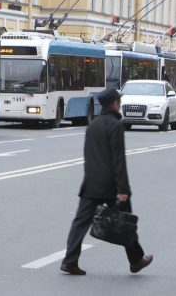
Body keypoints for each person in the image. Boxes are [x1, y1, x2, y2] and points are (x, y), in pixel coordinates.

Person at [61, 88, 153, 276]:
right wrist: (123, 188)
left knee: (80, 222)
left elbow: (88, 155)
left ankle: (69, 261)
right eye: (119, 101)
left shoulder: (93, 124)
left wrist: (89, 180)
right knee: (125, 222)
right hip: (111, 185)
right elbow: (118, 160)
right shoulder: (115, 125)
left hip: (91, 183)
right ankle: (136, 261)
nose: (120, 104)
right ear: (114, 103)